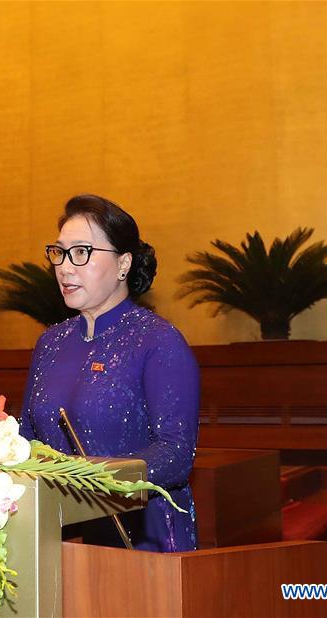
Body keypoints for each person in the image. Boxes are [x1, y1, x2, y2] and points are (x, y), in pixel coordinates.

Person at [20, 194, 199, 552]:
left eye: (81, 252)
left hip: (140, 540)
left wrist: (93, 480)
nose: (65, 267)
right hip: (56, 537)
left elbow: (176, 454)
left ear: (123, 264)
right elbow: (26, 436)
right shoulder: (50, 343)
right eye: (59, 253)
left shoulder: (158, 341)